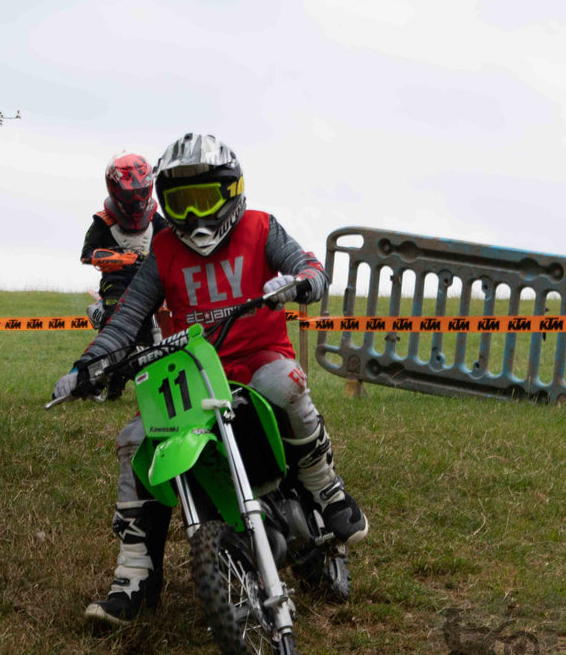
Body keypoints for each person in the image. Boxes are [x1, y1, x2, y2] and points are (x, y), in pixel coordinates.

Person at [54, 134, 369, 626]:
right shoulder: (162, 248)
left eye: (207, 198)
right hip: (192, 368)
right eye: (182, 202)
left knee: (286, 384)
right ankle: (134, 577)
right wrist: (85, 367)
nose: (196, 215)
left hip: (259, 356)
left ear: (233, 191)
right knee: (134, 439)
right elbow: (127, 316)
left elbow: (310, 267)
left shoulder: (261, 227)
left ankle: (326, 489)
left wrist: (299, 283)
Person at [80, 152, 167, 398]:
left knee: (154, 337)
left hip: (151, 284)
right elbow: (86, 253)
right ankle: (93, 380)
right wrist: (118, 257)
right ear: (115, 190)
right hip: (116, 284)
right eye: (130, 194)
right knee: (114, 326)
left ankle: (148, 383)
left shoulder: (155, 219)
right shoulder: (103, 220)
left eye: (141, 192)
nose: (137, 200)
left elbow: (172, 243)